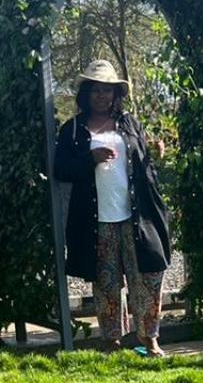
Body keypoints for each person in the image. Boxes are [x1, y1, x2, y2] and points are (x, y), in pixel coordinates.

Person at [53, 59, 171, 356]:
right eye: (97, 91)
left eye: (108, 91)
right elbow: (61, 169)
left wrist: (154, 151)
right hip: (97, 220)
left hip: (135, 217)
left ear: (116, 94)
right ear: (86, 95)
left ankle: (149, 337)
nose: (103, 96)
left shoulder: (129, 123)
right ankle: (110, 340)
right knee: (106, 282)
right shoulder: (73, 129)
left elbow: (144, 164)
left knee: (146, 276)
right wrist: (90, 159)